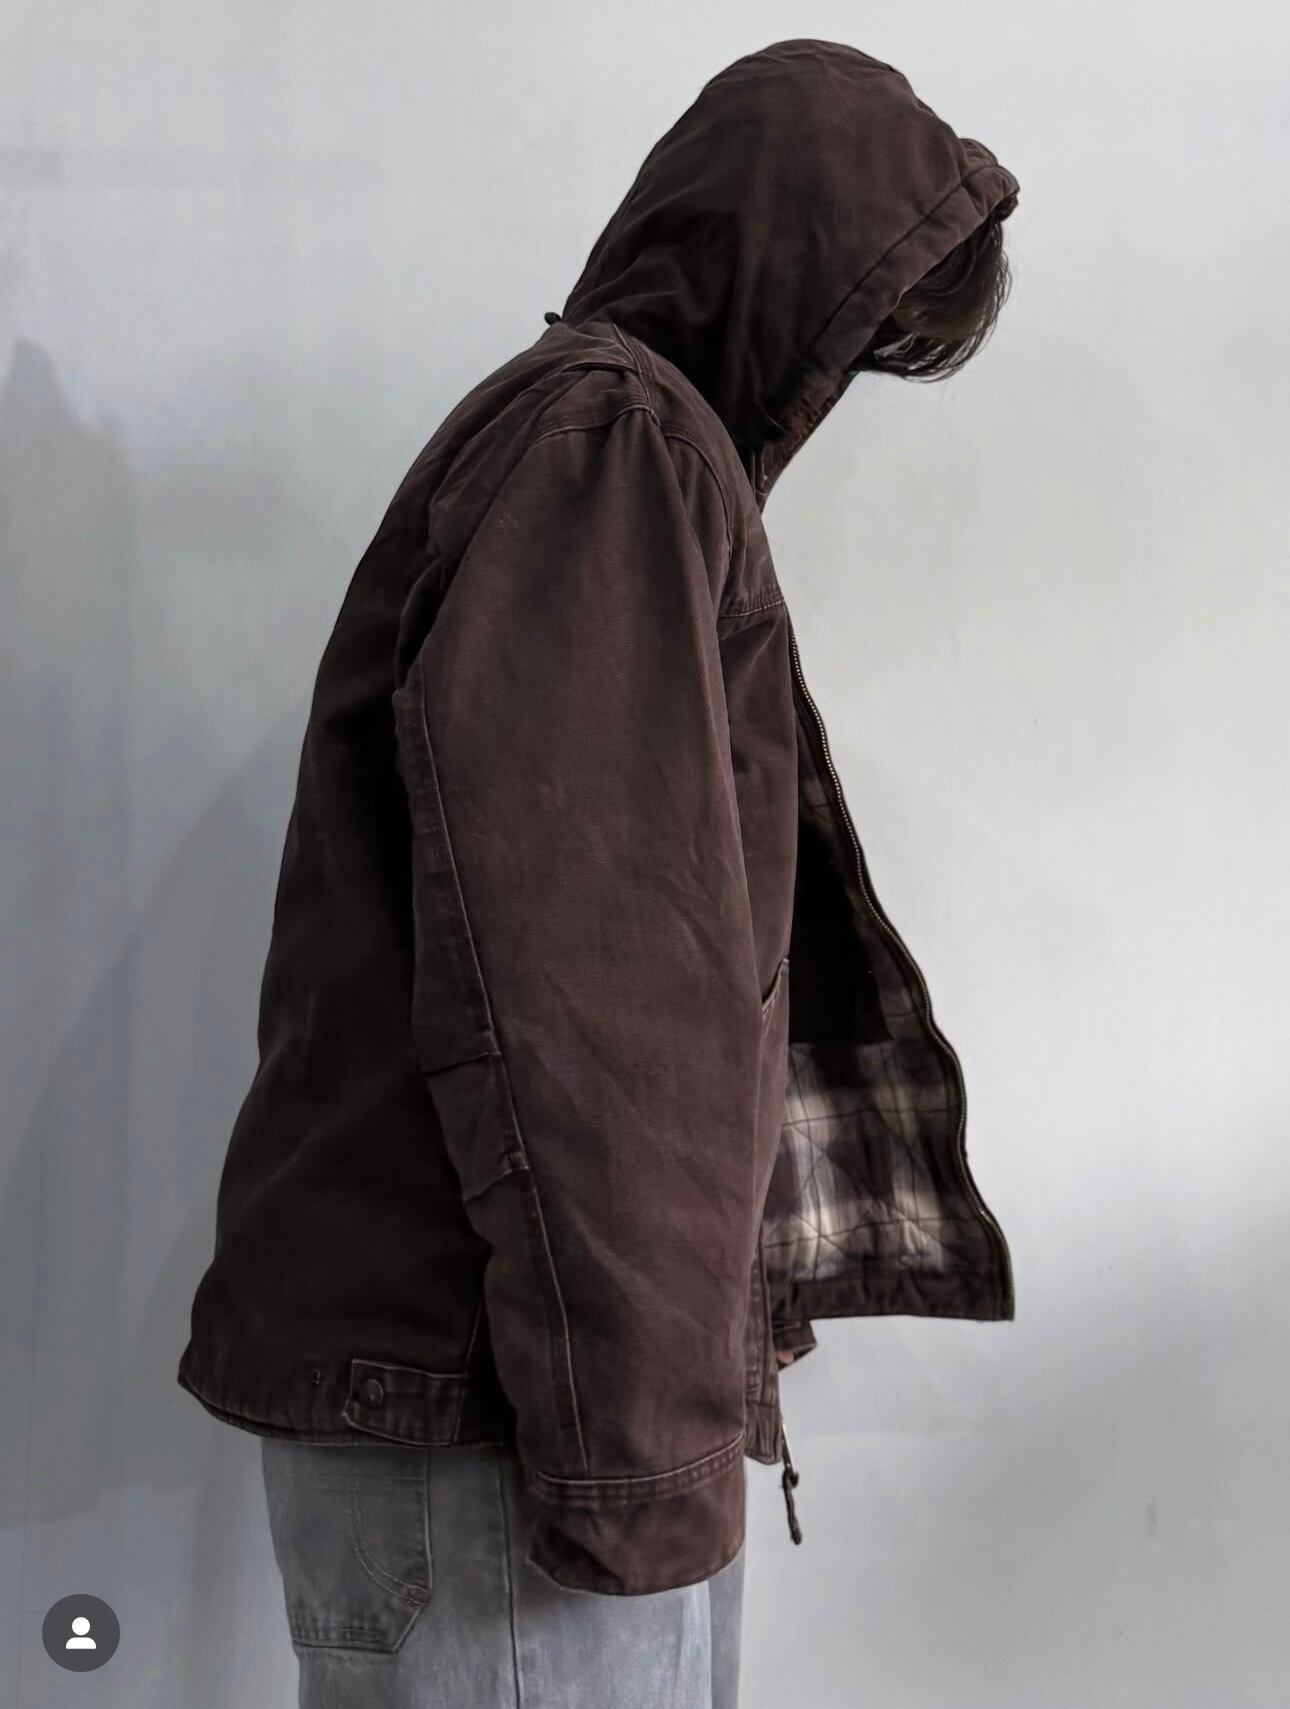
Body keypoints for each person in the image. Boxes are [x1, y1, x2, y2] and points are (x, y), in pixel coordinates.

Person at [177, 36, 1020, 1709]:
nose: (840, 389)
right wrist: (637, 1461)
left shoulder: (612, 444)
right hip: (505, 1428)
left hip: (504, 1404)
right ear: (778, 276)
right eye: (862, 336)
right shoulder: (609, 446)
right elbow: (586, 1013)